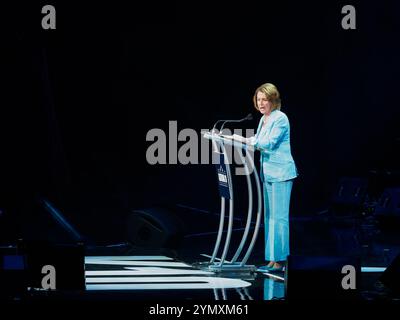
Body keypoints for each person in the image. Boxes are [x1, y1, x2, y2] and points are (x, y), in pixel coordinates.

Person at [244, 83, 298, 271]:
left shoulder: (280, 118)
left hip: (282, 173)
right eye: (258, 99)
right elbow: (259, 142)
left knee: (279, 218)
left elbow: (268, 144)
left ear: (273, 100)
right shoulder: (263, 119)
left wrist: (246, 140)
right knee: (269, 218)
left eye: (264, 99)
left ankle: (281, 260)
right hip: (268, 173)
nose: (261, 103)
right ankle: (272, 259)